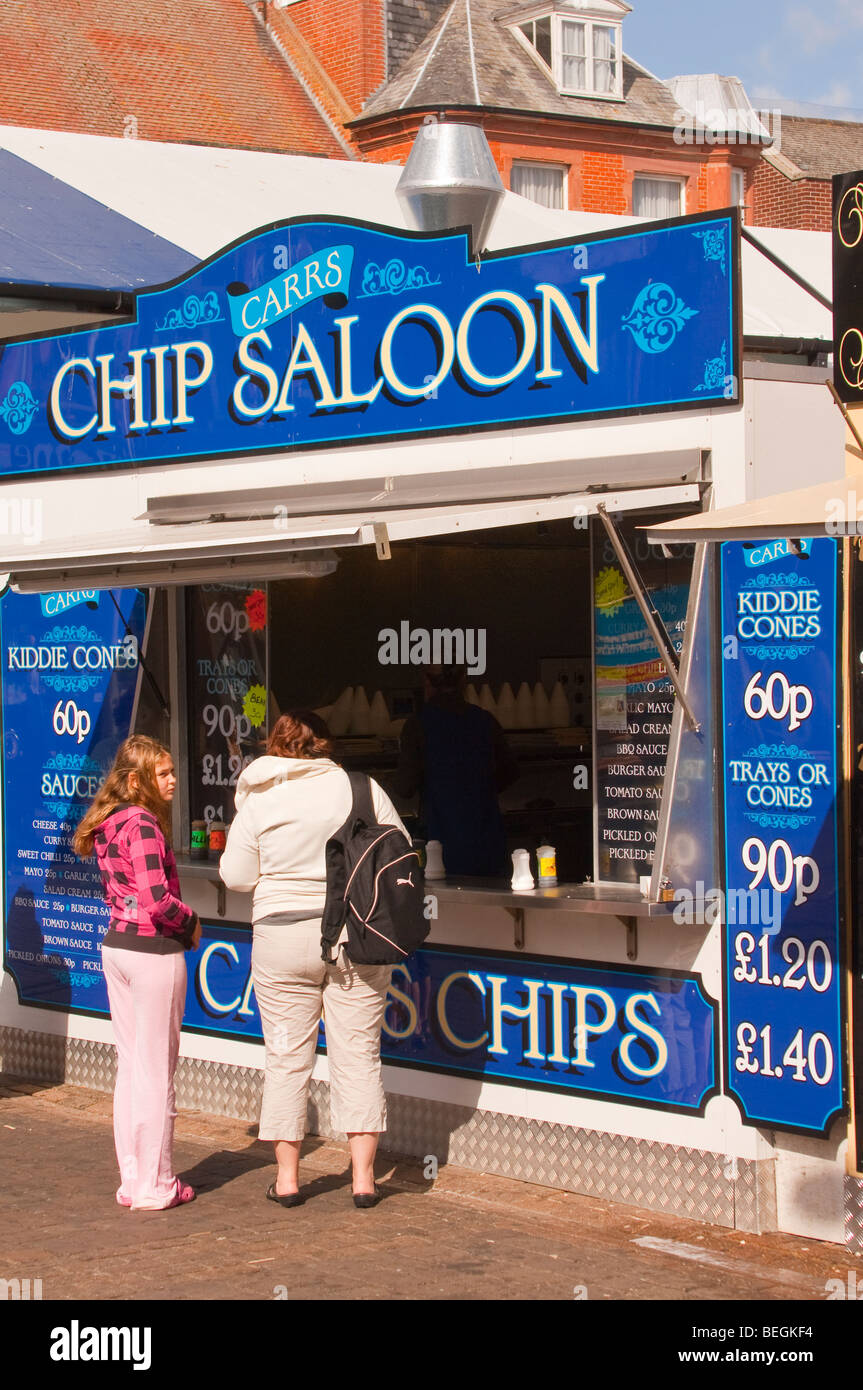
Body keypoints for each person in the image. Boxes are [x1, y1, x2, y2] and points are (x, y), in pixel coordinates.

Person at [219, 710, 408, 1209]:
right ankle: (364, 1180)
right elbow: (401, 853)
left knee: (285, 1058)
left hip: (282, 942)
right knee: (359, 1057)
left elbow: (236, 876)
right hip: (355, 939)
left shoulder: (259, 796)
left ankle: (287, 1180)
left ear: (274, 745)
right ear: (326, 743)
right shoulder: (362, 788)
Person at [74, 735, 200, 1210]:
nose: (172, 780)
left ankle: (134, 1180)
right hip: (152, 952)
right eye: (163, 773)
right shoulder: (143, 823)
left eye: (172, 771)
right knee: (156, 1073)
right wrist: (190, 923)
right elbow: (156, 900)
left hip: (118, 947)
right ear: (136, 781)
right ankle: (157, 1183)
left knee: (131, 1068)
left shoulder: (110, 821)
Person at [394, 665, 518, 877]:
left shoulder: (418, 725)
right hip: (486, 838)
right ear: (464, 682)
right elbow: (510, 772)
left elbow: (404, 786)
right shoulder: (485, 721)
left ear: (427, 682)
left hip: (439, 840)